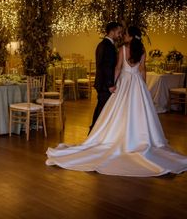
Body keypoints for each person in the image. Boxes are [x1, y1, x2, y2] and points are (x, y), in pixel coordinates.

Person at [46, 26, 187, 177]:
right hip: (138, 83)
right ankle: (140, 139)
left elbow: (118, 68)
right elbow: (142, 69)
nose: (124, 36)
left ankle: (118, 136)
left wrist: (113, 83)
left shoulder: (123, 49)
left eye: (126, 34)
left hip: (125, 82)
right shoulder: (142, 50)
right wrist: (144, 86)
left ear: (131, 36)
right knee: (139, 112)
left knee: (119, 110)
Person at [89, 22, 123, 134]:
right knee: (102, 109)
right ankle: (94, 133)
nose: (120, 35)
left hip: (102, 83)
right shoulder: (107, 46)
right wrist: (110, 84)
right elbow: (106, 66)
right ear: (112, 31)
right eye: (119, 32)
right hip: (105, 84)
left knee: (101, 108)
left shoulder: (104, 44)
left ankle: (96, 132)